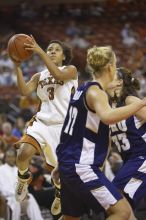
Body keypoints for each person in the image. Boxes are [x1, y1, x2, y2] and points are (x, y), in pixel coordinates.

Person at [52, 46, 146, 220]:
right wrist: (141, 103)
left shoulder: (82, 90)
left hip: (71, 163)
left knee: (71, 217)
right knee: (122, 211)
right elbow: (108, 117)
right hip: (81, 165)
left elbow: (71, 130)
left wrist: (61, 163)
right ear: (111, 66)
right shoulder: (97, 92)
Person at [11, 36, 78, 213]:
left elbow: (58, 74)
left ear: (64, 56)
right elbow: (24, 91)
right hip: (42, 122)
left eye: (56, 49)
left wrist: (40, 52)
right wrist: (17, 66)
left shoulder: (70, 70)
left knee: (59, 174)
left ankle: (59, 193)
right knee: (22, 154)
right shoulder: (39, 76)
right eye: (49, 49)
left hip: (63, 127)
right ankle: (23, 178)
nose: (52, 51)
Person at [108, 67, 146, 211]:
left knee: (116, 198)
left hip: (142, 157)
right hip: (129, 160)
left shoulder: (131, 100)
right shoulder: (109, 107)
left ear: (119, 82)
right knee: (124, 207)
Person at [0, 148, 44, 220]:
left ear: (15, 158)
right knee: (15, 201)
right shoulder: (1, 170)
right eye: (8, 156)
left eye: (12, 156)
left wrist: (24, 193)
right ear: (5, 158)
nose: (10, 159)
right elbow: (3, 189)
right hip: (9, 198)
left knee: (30, 197)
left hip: (20, 197)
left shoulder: (19, 170)